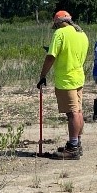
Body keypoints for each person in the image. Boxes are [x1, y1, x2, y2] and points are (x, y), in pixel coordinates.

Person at [37, 10, 89, 160]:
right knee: (78, 111)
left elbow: (51, 57)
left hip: (66, 79)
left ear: (58, 22)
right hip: (78, 77)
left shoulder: (60, 34)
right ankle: (77, 144)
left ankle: (72, 148)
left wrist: (42, 76)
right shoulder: (82, 34)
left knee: (72, 113)